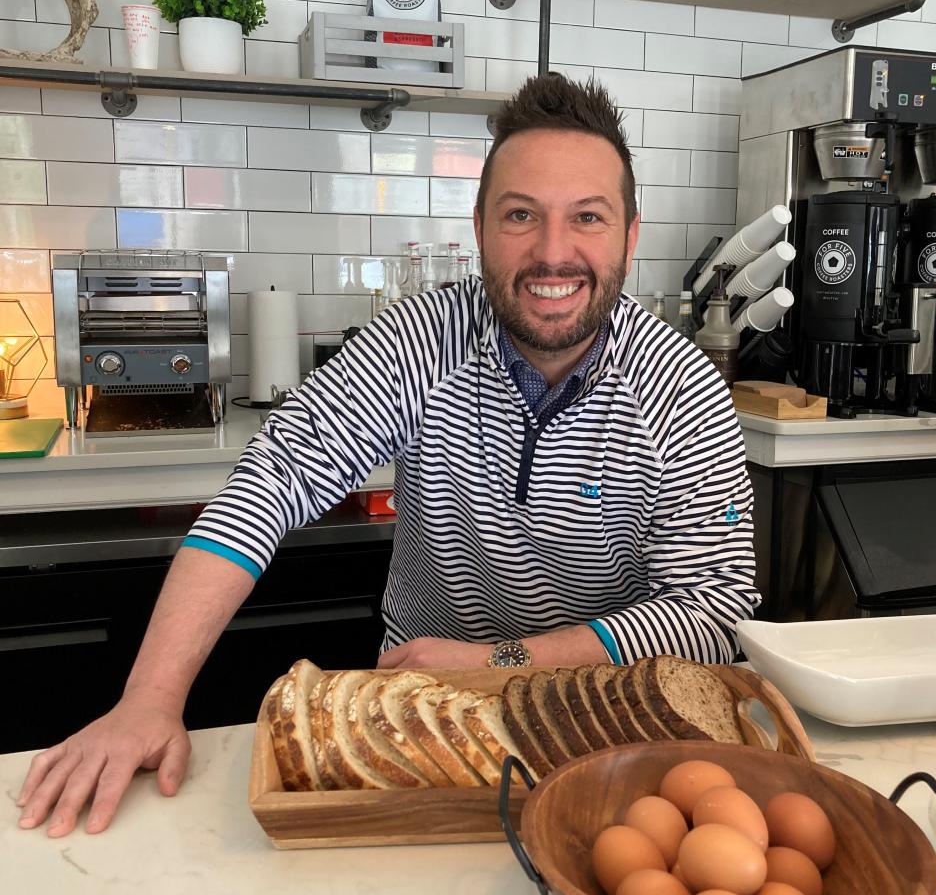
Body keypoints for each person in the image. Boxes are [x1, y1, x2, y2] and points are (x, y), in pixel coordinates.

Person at [17, 74, 759, 838]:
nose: (552, 253)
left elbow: (713, 609)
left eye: (588, 218)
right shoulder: (418, 341)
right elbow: (269, 483)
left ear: (630, 236)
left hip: (609, 736)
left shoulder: (682, 387)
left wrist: (505, 661)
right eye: (520, 215)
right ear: (478, 228)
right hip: (413, 724)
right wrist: (148, 700)